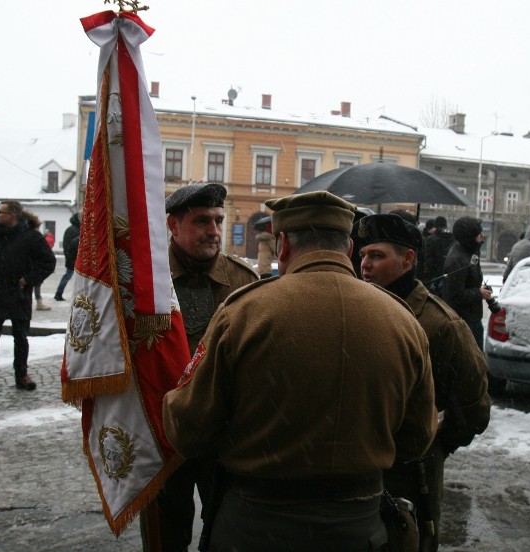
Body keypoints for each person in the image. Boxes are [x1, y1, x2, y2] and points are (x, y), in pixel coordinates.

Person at [162, 191, 436, 551]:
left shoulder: (244, 312)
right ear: (350, 248)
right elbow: (417, 437)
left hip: (257, 526)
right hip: (360, 524)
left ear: (283, 245)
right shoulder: (402, 320)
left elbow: (187, 427)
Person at [357, 213, 490, 552]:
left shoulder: (440, 325)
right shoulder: (357, 311)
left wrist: (434, 445)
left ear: (408, 259)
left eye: (377, 256)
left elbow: (474, 408)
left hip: (411, 478)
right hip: (358, 474)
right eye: (362, 255)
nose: (365, 265)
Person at [140, 182, 257, 552]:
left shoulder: (243, 283)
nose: (214, 231)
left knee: (225, 533)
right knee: (165, 536)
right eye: (202, 221)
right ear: (173, 226)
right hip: (162, 436)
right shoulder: (148, 283)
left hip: (222, 439)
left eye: (218, 220)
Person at [0, 200, 55, 395]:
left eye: (1, 213)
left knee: (21, 338)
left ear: (13, 216)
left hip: (19, 295)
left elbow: (48, 262)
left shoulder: (31, 237)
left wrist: (28, 279)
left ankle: (21, 375)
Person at [440, 216, 492, 350]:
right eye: (478, 234)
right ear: (469, 237)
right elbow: (455, 296)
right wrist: (478, 292)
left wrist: (478, 289)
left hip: (472, 319)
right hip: (463, 323)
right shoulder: (457, 260)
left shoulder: (470, 251)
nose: (482, 235)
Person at [54, 212, 81, 301]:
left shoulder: (75, 229)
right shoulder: (72, 230)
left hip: (75, 259)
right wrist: (70, 258)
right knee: (68, 276)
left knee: (70, 277)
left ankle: (60, 293)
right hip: (73, 259)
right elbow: (69, 246)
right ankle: (59, 293)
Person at [424, 216, 454, 289]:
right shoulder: (453, 237)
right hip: (449, 274)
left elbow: (429, 260)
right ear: (445, 225)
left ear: (435, 226)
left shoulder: (431, 239)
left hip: (435, 277)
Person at [33, 226, 54, 311]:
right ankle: (39, 303)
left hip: (34, 265)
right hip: (34, 266)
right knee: (36, 284)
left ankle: (39, 302)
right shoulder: (35, 238)